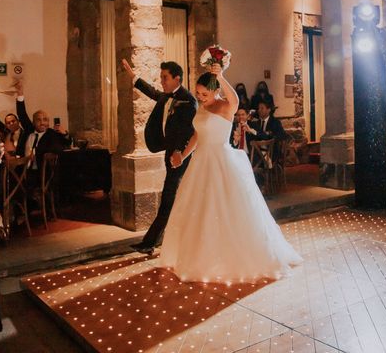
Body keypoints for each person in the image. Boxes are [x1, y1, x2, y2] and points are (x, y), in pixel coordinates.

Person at [159, 62, 302, 282]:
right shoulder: (201, 108)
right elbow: (197, 136)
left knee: (226, 210)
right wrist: (183, 155)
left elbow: (235, 99)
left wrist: (221, 76)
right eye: (198, 93)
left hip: (221, 161)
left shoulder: (226, 106)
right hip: (200, 163)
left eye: (205, 93)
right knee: (198, 211)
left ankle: (228, 257)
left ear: (216, 91)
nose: (200, 96)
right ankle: (198, 256)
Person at [121, 59, 197, 256]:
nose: (161, 81)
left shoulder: (188, 100)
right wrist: (134, 78)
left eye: (165, 77)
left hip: (179, 158)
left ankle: (150, 242)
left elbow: (189, 130)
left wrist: (179, 152)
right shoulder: (166, 96)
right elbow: (153, 93)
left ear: (177, 78)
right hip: (169, 153)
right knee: (173, 199)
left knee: (168, 199)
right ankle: (163, 240)